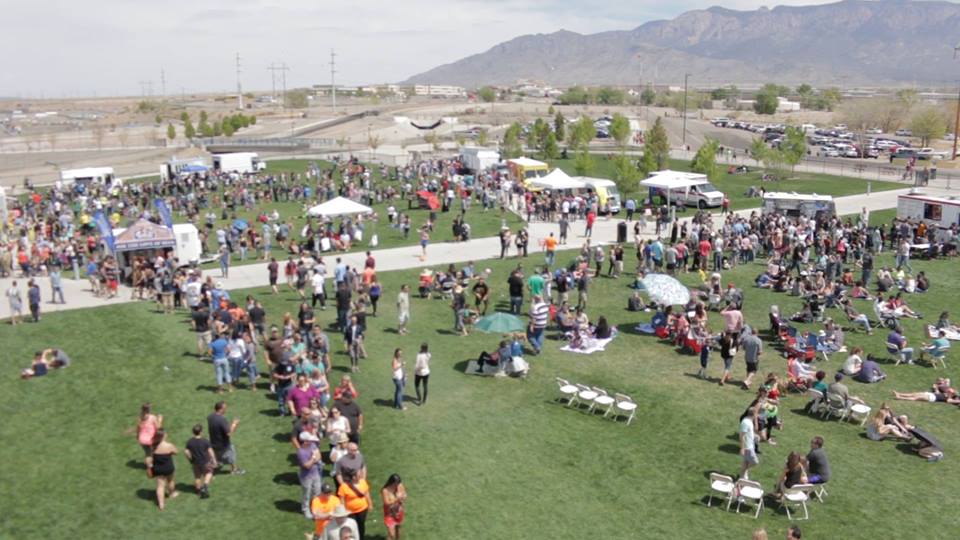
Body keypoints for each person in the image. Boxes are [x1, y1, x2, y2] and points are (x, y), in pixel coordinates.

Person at [207, 401, 245, 475]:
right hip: (223, 443)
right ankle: (234, 469)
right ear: (220, 409)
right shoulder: (221, 420)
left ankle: (214, 465)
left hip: (213, 441)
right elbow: (229, 433)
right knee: (231, 454)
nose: (226, 410)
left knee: (217, 455)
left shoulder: (210, 416)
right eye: (225, 408)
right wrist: (234, 424)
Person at [146, 429, 179, 511]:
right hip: (168, 467)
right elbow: (176, 452)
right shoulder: (168, 445)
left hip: (158, 468)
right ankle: (172, 493)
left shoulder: (153, 446)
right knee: (170, 481)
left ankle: (161, 504)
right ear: (163, 436)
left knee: (160, 486)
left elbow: (150, 456)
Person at [337, 468, 373, 540]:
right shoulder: (344, 486)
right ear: (353, 477)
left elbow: (367, 494)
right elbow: (342, 500)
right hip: (350, 511)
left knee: (361, 525)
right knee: (352, 526)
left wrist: (370, 504)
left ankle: (361, 538)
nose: (360, 476)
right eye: (358, 475)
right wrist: (343, 511)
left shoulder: (363, 482)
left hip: (362, 509)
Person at [184, 423, 216, 498]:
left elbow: (186, 452)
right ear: (201, 432)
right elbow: (210, 451)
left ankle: (198, 492)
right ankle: (205, 486)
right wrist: (214, 460)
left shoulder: (190, 442)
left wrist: (190, 460)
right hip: (205, 462)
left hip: (195, 462)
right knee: (209, 473)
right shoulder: (205, 441)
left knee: (197, 477)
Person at [298, 431, 325, 519]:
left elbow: (319, 456)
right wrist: (314, 459)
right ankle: (305, 510)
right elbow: (307, 466)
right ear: (304, 441)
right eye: (309, 440)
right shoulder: (301, 452)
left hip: (316, 473)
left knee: (317, 492)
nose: (311, 442)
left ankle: (315, 508)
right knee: (307, 494)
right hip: (306, 477)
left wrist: (314, 459)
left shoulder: (312, 445)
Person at [381, 474, 407, 540]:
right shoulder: (385, 490)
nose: (397, 485)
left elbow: (404, 494)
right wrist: (397, 499)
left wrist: (403, 497)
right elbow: (386, 503)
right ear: (391, 482)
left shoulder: (400, 485)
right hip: (389, 514)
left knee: (398, 530)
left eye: (398, 483)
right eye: (395, 484)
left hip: (398, 512)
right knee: (391, 535)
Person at [739, 408, 759, 480]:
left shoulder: (749, 421)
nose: (757, 415)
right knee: (755, 462)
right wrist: (742, 448)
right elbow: (741, 435)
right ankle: (743, 471)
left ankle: (742, 476)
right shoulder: (746, 422)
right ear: (753, 414)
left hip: (750, 445)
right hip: (747, 447)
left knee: (746, 461)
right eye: (756, 413)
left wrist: (755, 436)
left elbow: (749, 433)